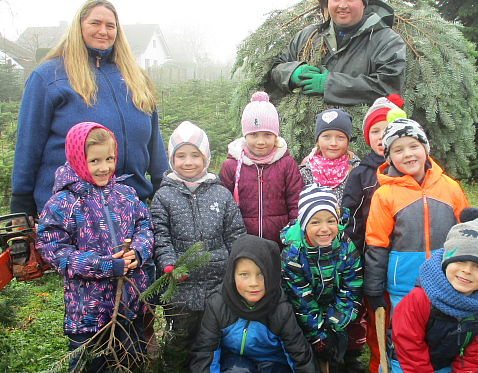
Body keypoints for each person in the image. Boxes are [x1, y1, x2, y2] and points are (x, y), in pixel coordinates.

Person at [12, 0, 167, 219]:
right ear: (79, 26)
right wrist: (21, 204)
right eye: (95, 23)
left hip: (131, 211)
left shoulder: (134, 76)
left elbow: (153, 140)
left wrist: (162, 184)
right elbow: (28, 145)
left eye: (110, 26)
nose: (103, 31)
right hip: (71, 216)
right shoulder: (49, 76)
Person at [35, 122, 154, 373]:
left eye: (109, 159)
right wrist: (105, 266)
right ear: (79, 159)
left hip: (129, 308)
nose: (104, 168)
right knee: (91, 366)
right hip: (88, 314)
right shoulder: (63, 203)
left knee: (132, 362)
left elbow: (145, 224)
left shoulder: (126, 195)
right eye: (95, 161)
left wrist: (140, 251)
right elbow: (54, 250)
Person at [363, 111, 468, 351]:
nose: (408, 154)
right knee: (406, 340)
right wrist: (374, 288)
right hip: (404, 285)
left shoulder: (450, 187)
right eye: (398, 150)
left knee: (441, 339)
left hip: (446, 282)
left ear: (425, 149)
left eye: (413, 145)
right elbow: (377, 244)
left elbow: (465, 234)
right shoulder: (384, 195)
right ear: (389, 158)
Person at [149, 121, 247, 369]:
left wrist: (237, 268)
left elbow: (235, 233)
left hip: (217, 286)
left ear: (206, 158)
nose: (188, 162)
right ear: (172, 160)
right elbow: (160, 235)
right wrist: (169, 264)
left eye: (195, 155)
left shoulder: (220, 194)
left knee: (212, 340)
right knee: (179, 341)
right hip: (181, 289)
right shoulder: (164, 196)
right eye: (181, 156)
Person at [270, 0, 406, 106]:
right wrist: (292, 73)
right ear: (328, 2)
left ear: (363, 3)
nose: (342, 5)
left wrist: (331, 84)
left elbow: (388, 87)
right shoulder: (308, 37)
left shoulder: (387, 41)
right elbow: (274, 68)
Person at [389, 213, 478, 373]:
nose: (466, 270)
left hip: (445, 365)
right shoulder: (419, 298)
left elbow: (472, 356)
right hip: (406, 363)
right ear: (445, 262)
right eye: (461, 260)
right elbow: (408, 346)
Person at [190, 234, 318, 373]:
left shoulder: (280, 310)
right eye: (244, 274)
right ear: (232, 274)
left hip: (273, 362)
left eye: (261, 274)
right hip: (234, 361)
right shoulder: (218, 305)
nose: (253, 283)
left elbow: (299, 356)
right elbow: (205, 353)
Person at [340, 94, 401, 372]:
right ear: (367, 137)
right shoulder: (361, 173)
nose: (381, 136)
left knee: (403, 317)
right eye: (374, 131)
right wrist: (354, 254)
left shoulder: (407, 169)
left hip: (404, 259)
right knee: (376, 314)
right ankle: (379, 362)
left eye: (386, 130)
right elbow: (350, 216)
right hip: (370, 258)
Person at [281, 184, 363, 373]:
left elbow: (352, 288)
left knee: (334, 350)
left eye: (330, 221)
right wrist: (317, 337)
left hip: (335, 311)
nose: (324, 229)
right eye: (315, 222)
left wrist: (334, 326)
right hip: (303, 318)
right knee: (308, 357)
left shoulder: (345, 246)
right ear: (303, 224)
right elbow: (301, 300)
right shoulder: (293, 255)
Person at [219, 91, 303, 249]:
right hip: (242, 244)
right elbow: (222, 206)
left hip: (279, 244)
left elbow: (295, 203)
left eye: (267, 135)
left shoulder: (286, 164)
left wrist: (293, 237)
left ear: (275, 136)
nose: (261, 141)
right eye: (254, 135)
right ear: (245, 135)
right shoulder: (231, 166)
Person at [299, 109, 361, 202]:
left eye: (340, 137)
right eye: (326, 136)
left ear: (347, 141)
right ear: (318, 140)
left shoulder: (356, 168)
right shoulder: (307, 171)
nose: (333, 143)